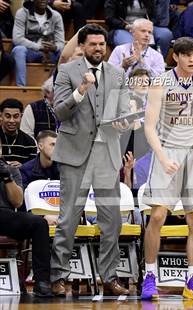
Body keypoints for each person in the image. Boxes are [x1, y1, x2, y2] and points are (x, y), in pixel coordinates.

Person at [50, 24, 131, 297]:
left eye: (102, 44)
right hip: (75, 156)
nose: (98, 48)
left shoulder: (118, 74)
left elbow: (124, 110)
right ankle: (58, 275)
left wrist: (124, 123)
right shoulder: (67, 71)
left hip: (106, 156)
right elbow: (60, 113)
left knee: (112, 222)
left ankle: (109, 276)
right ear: (82, 46)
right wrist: (81, 89)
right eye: (93, 44)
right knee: (68, 219)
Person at [141, 37, 193, 300]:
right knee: (158, 216)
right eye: (186, 55)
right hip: (168, 150)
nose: (192, 59)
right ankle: (149, 275)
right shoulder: (160, 82)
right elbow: (148, 126)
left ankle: (192, 280)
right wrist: (161, 157)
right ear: (176, 57)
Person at [0, 154, 53, 297]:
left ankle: (42, 281)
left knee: (39, 223)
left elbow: (17, 202)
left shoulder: (11, 170)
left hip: (4, 216)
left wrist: (7, 177)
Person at [11, 0, 64, 86]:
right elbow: (17, 39)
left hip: (48, 52)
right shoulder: (22, 13)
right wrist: (39, 47)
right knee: (19, 50)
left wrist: (54, 47)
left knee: (64, 53)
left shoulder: (56, 16)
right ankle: (21, 87)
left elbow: (61, 43)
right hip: (29, 52)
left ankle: (54, 86)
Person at [104, 0, 173, 58]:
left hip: (145, 26)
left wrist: (150, 23)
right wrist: (125, 26)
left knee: (165, 34)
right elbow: (109, 18)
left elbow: (156, 16)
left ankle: (158, 61)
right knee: (128, 43)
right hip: (123, 28)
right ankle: (134, 65)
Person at [0, 99, 37, 168]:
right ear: (1, 116)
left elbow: (33, 168)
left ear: (21, 116)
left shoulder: (29, 142)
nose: (11, 120)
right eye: (7, 116)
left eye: (16, 116)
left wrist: (23, 167)